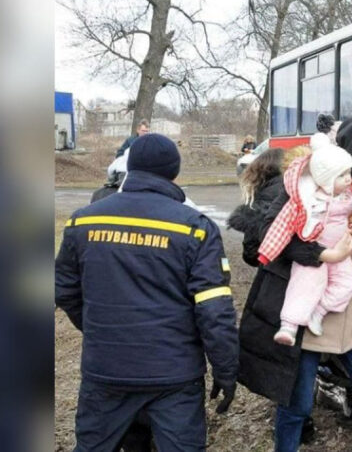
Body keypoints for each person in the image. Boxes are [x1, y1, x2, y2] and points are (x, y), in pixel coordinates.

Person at [55, 133, 239, 451]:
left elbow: (65, 291)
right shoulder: (194, 227)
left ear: (131, 167)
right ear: (174, 172)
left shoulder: (83, 221)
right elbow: (213, 309)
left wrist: (101, 329)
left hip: (106, 370)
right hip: (174, 376)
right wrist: (226, 368)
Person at [233, 114, 352, 452]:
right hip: (305, 313)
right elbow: (261, 244)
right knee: (296, 406)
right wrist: (322, 254)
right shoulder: (299, 183)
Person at [258, 133, 352, 346]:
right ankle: (291, 324)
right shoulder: (303, 188)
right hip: (313, 323)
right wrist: (324, 254)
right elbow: (268, 234)